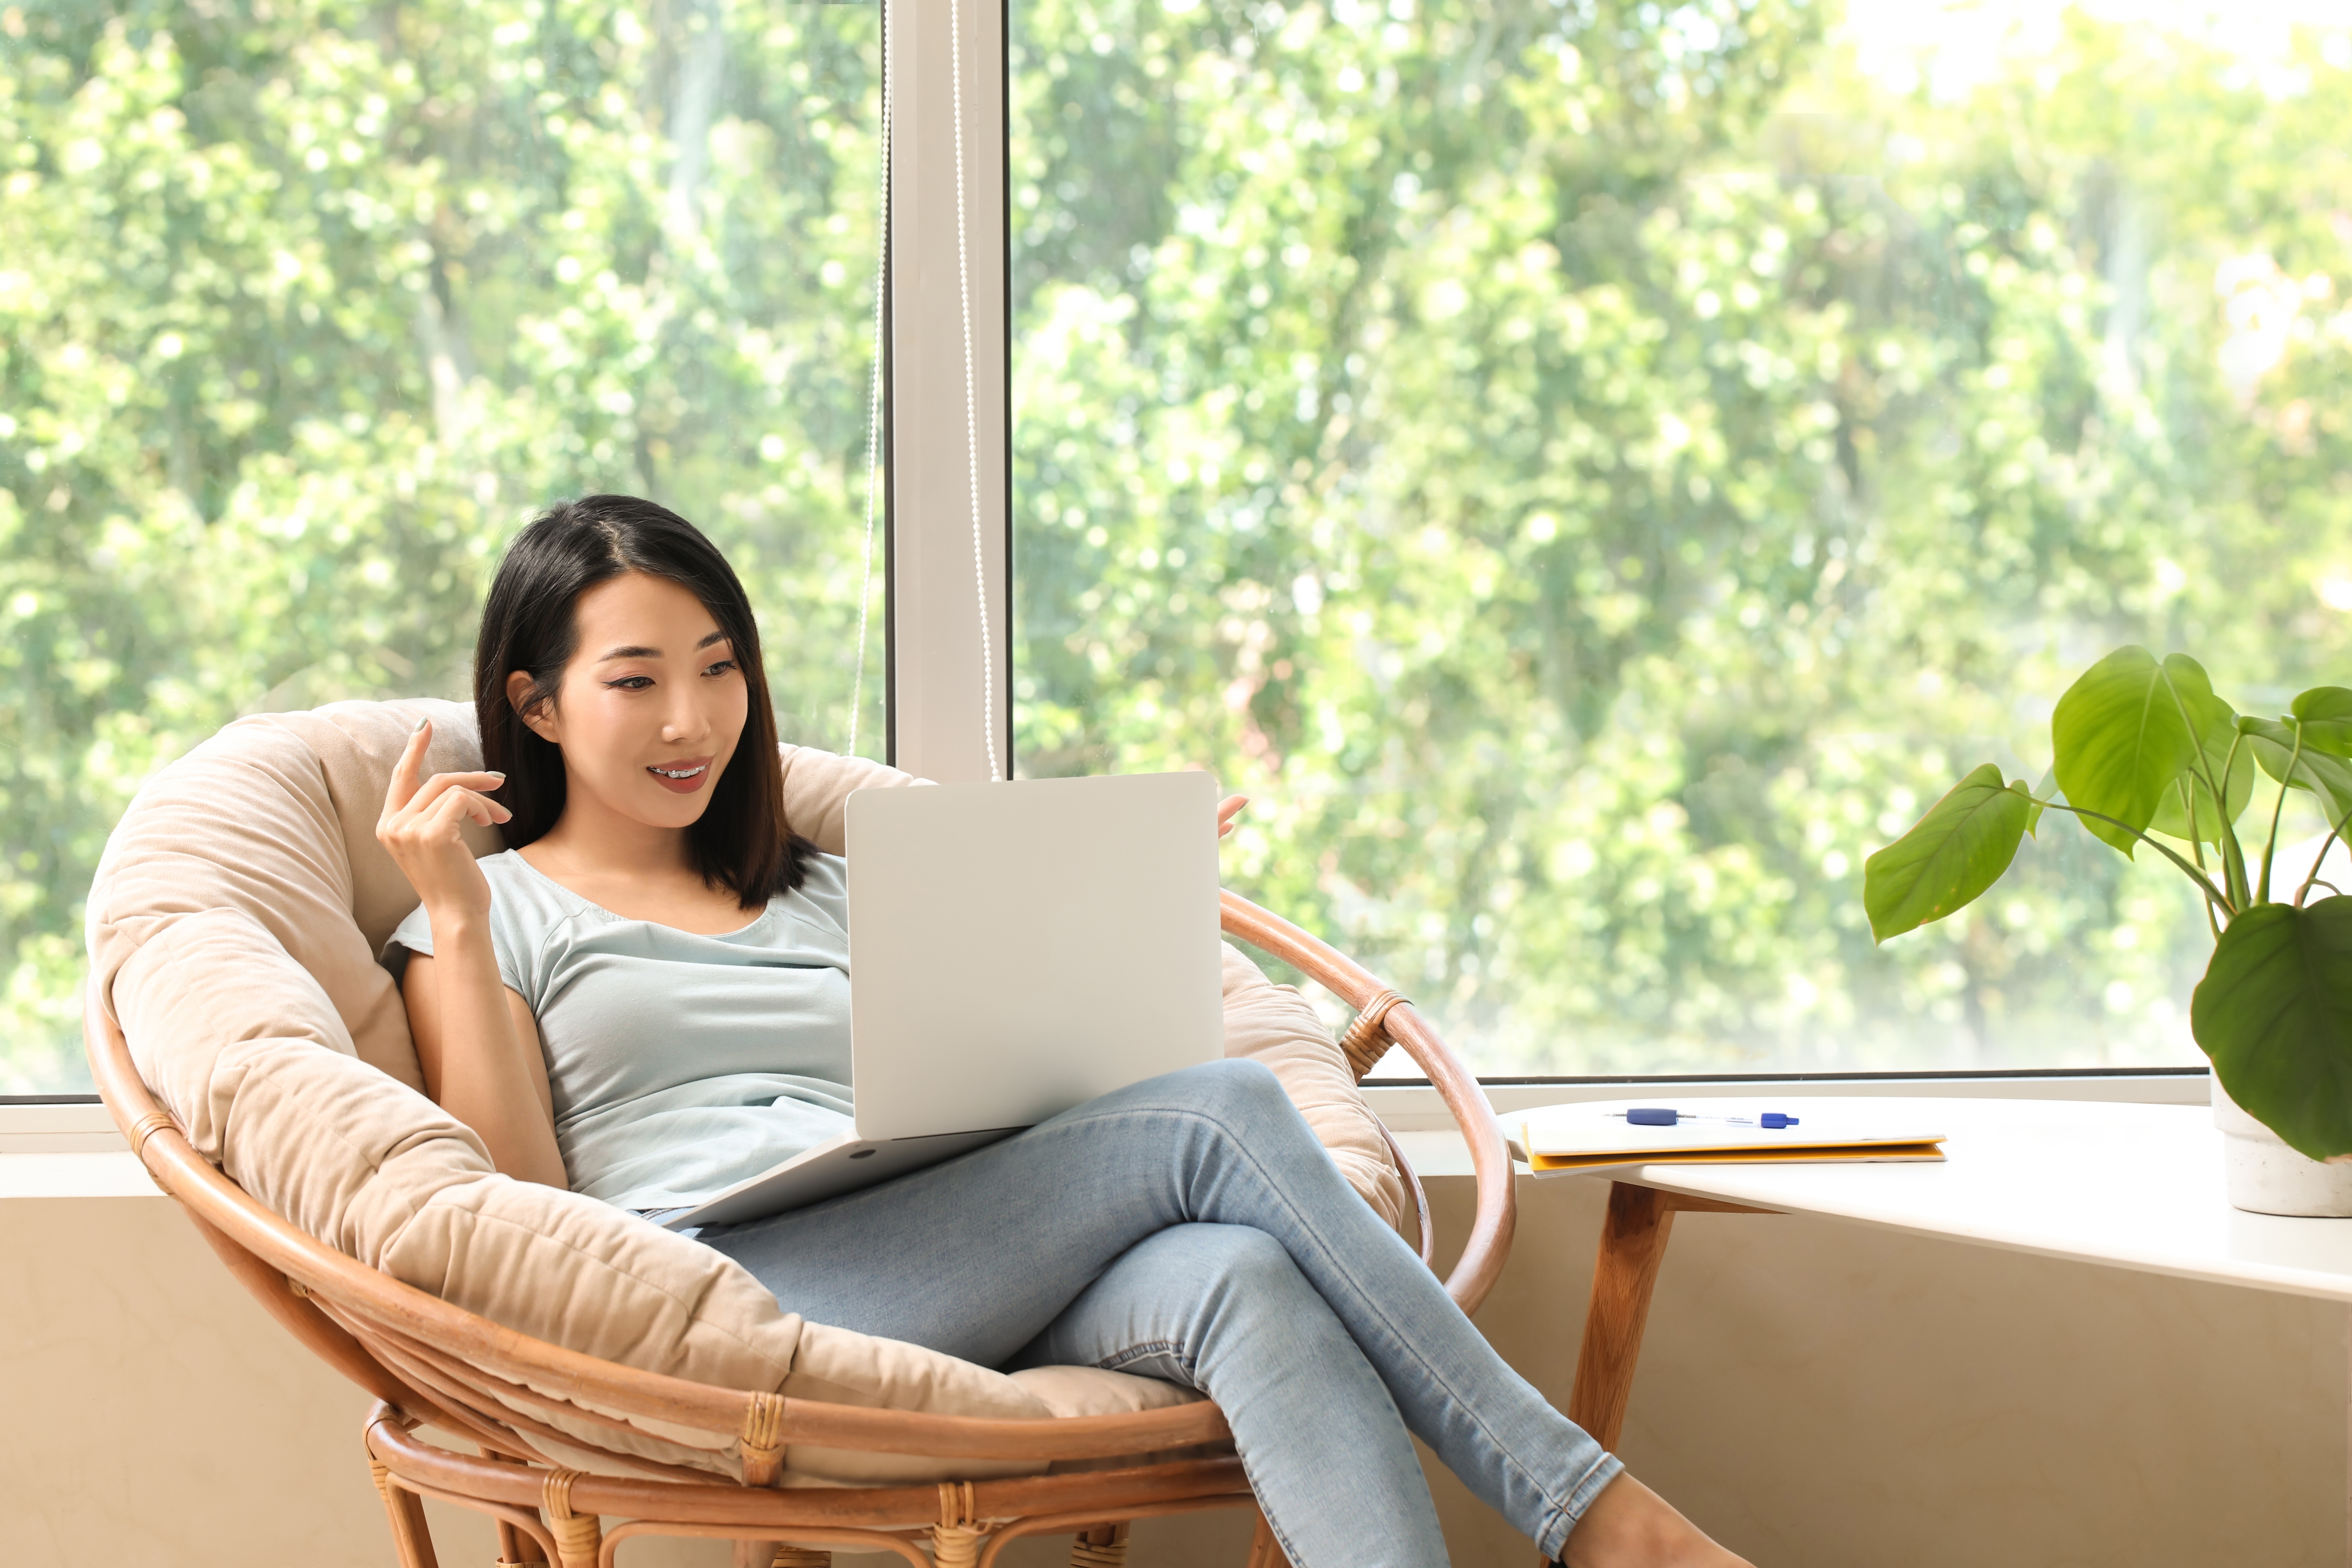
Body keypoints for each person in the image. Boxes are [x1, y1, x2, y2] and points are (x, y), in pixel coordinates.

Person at [377, 495, 1754, 1568]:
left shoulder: (835, 890)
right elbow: (515, 1201)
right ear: (534, 701)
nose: (692, 719)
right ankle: (1594, 1515)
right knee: (1222, 1113)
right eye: (635, 681)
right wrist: (458, 917)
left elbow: (1017, 1069)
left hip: (939, 1237)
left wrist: (1133, 918)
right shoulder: (482, 910)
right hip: (720, 1287)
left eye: (719, 667)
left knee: (1239, 1280)